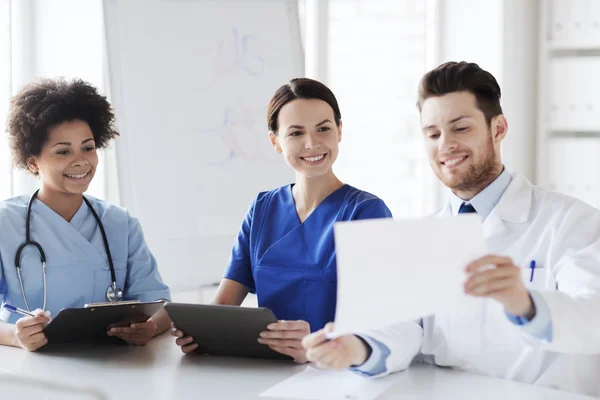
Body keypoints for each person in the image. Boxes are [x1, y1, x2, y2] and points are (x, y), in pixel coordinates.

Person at [302, 62, 600, 397]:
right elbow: (404, 325)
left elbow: (593, 318)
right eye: (433, 134)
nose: (445, 145)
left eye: (460, 129)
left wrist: (525, 303)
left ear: (498, 128)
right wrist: (356, 348)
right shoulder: (426, 235)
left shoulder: (572, 222)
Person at [172, 78, 392, 362]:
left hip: (338, 372)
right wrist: (199, 332)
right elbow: (226, 303)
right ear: (275, 141)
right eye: (296, 133)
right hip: (268, 368)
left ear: (339, 130)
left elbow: (378, 320)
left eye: (323, 129)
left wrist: (317, 346)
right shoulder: (262, 209)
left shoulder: (367, 212)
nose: (311, 144)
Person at [0, 78, 172, 351]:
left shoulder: (120, 223)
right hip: (33, 370)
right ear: (33, 161)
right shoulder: (5, 223)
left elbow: (159, 303)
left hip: (112, 366)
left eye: (88, 147)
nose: (81, 160)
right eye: (63, 151)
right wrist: (14, 336)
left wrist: (149, 329)